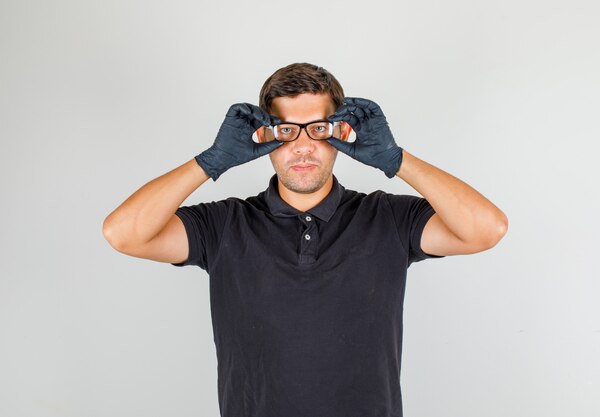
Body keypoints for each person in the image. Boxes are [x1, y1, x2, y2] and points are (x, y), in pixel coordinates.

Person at [103, 62, 508, 417]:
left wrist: (396, 159)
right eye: (285, 130)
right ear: (264, 136)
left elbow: (486, 229)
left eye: (317, 129)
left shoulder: (388, 217)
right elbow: (123, 233)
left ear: (341, 134)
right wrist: (210, 162)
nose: (301, 146)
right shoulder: (224, 224)